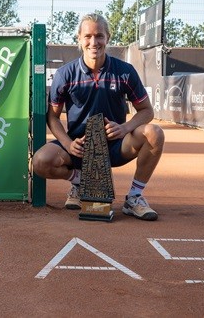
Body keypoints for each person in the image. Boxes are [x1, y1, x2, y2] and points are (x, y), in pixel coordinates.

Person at [32, 13, 165, 221]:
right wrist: (68, 144)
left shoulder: (125, 72)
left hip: (116, 146)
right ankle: (80, 182)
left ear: (108, 38)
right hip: (79, 149)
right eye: (88, 36)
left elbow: (147, 111)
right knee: (40, 161)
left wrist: (125, 128)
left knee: (154, 133)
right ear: (79, 39)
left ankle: (134, 198)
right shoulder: (65, 74)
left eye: (99, 36)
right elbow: (53, 117)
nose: (94, 42)